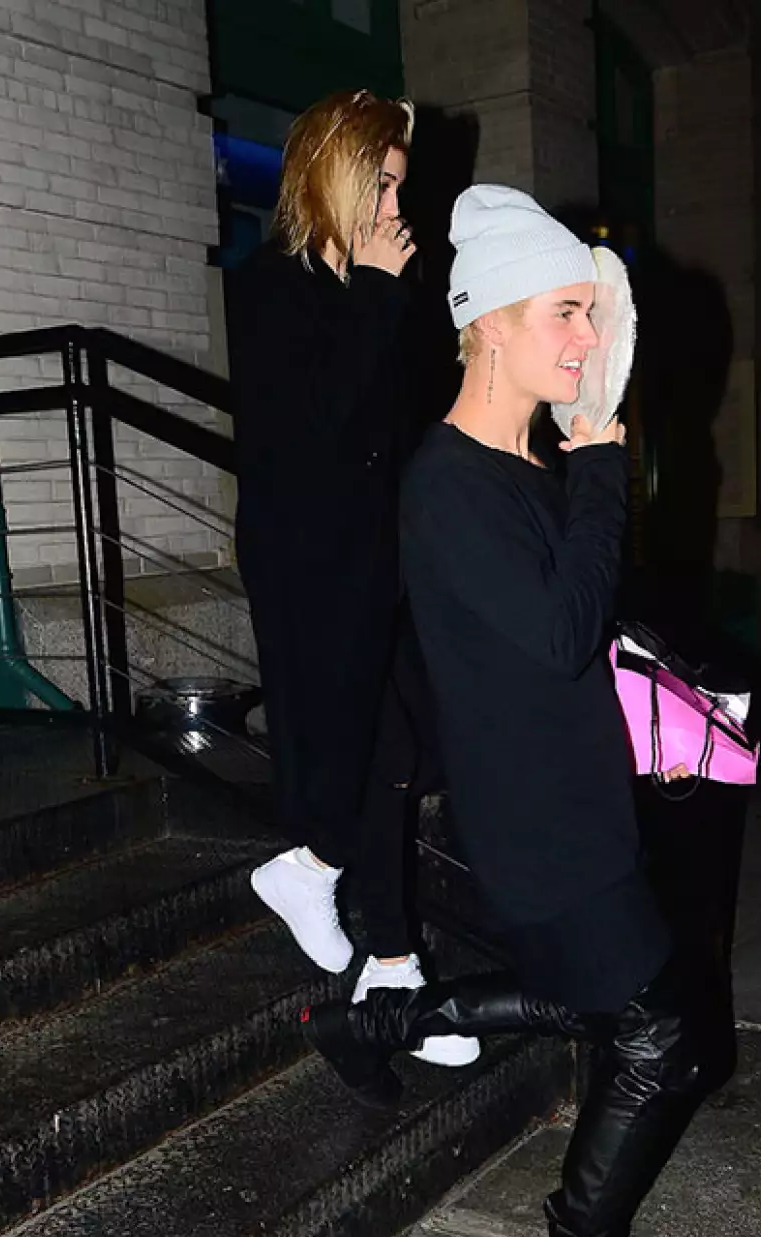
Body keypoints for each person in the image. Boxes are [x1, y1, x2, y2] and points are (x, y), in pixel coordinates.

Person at [301, 185, 736, 1237]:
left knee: (586, 1002)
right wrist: (602, 467)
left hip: (576, 795)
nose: (589, 344)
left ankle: (372, 1015)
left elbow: (577, 629)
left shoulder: (520, 470)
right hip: (539, 822)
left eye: (592, 318)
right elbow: (555, 634)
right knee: (658, 1037)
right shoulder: (446, 485)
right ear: (488, 319)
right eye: (566, 314)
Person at [227, 90, 476, 1067]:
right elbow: (316, 433)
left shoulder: (373, 287)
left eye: (398, 186)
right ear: (335, 171)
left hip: (376, 556)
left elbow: (390, 434)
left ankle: (383, 951)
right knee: (377, 744)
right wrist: (377, 292)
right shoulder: (271, 287)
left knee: (397, 742)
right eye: (381, 181)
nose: (392, 204)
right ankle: (357, 915)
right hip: (309, 559)